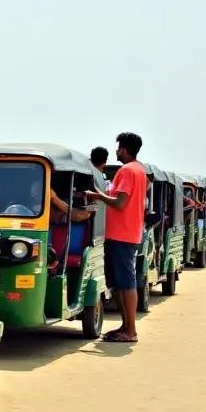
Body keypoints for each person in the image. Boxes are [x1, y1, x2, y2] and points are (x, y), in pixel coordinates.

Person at [85, 132, 147, 344]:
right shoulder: (139, 170)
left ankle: (130, 330)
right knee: (120, 283)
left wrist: (97, 196)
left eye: (118, 148)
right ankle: (125, 327)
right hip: (126, 233)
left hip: (123, 234)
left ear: (124, 149)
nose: (116, 151)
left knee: (126, 282)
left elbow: (119, 203)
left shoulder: (128, 170)